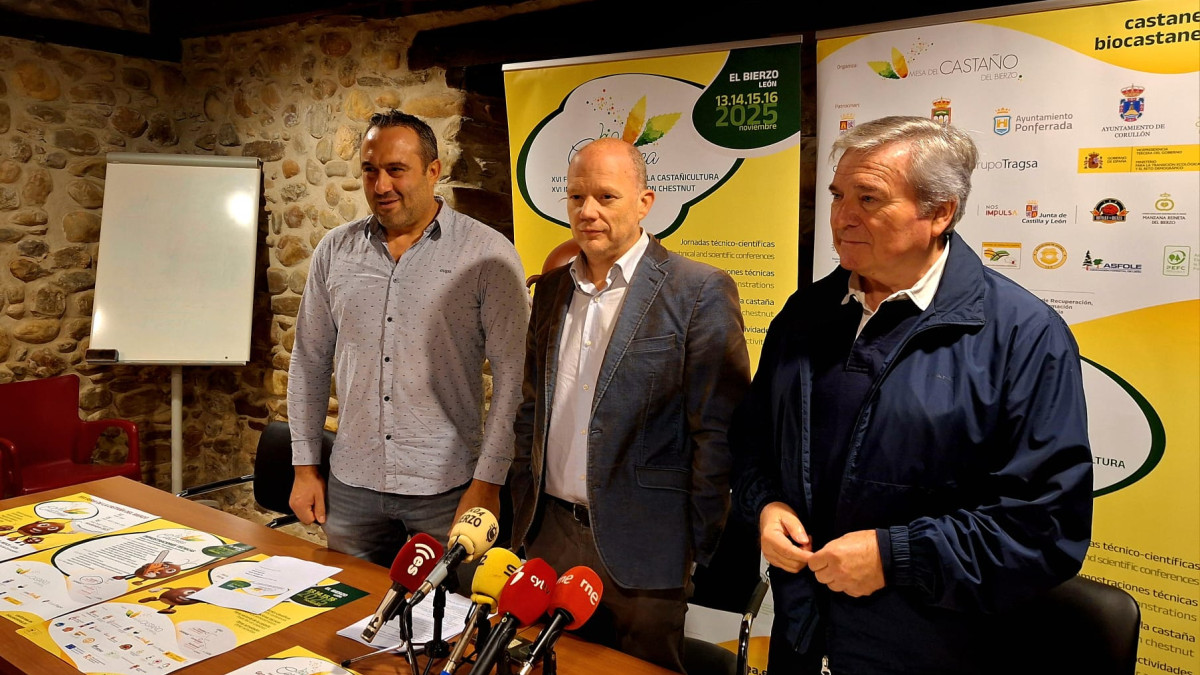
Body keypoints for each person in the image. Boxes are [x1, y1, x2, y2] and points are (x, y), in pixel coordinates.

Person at [731, 116, 1093, 674]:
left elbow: (1044, 527)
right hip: (803, 638)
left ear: (940, 212)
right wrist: (766, 505)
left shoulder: (1023, 336)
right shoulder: (804, 316)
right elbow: (753, 442)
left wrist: (895, 557)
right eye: (837, 195)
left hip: (935, 650)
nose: (842, 216)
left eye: (869, 198)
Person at [509, 137, 751, 672]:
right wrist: (522, 512)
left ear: (645, 202)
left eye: (606, 197)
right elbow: (532, 409)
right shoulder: (550, 291)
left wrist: (695, 542)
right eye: (575, 197)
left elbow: (719, 434)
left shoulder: (699, 290)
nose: (587, 212)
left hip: (646, 550)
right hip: (548, 536)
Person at [287, 110, 530, 569]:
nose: (381, 186)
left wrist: (487, 484)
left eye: (396, 170)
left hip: (449, 489)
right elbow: (309, 362)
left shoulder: (486, 255)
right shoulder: (334, 252)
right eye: (369, 170)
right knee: (351, 618)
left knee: (453, 626)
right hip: (352, 487)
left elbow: (513, 379)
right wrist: (305, 467)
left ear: (433, 171)